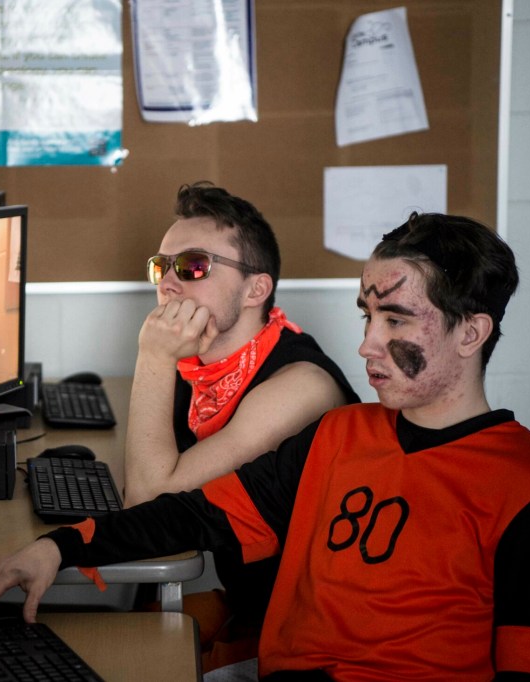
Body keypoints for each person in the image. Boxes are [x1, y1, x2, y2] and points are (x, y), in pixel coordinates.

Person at [0, 213, 530, 681]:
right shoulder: (339, 436)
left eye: (396, 319)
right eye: (365, 317)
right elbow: (196, 513)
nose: (368, 344)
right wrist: (58, 546)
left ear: (471, 332)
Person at [125, 182, 359, 670]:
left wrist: (152, 355)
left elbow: (146, 504)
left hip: (312, 634)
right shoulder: (204, 368)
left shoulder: (299, 386)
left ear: (257, 289)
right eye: (159, 267)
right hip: (255, 601)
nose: (167, 283)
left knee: (124, 657)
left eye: (193, 266)